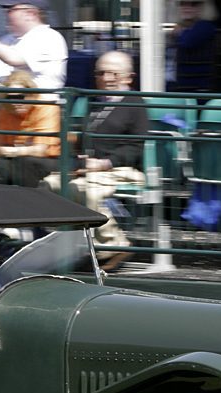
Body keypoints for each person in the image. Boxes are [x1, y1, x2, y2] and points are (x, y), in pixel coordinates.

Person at [40, 51, 147, 262]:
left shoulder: (135, 104)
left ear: (128, 77)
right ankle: (63, 243)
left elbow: (136, 147)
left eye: (113, 74)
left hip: (121, 169)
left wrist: (104, 163)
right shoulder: (95, 104)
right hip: (88, 168)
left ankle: (115, 244)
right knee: (48, 184)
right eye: (100, 73)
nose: (106, 78)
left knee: (83, 189)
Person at [0, 69, 60, 188]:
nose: (15, 102)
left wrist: (6, 151)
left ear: (31, 94)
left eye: (20, 96)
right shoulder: (4, 111)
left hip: (49, 160)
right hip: (16, 159)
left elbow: (40, 150)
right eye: (9, 98)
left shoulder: (47, 108)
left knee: (25, 163)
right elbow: (0, 144)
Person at [0, 0, 67, 91]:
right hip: (3, 102)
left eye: (11, 10)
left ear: (31, 13)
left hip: (39, 104)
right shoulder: (7, 39)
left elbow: (15, 59)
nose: (6, 14)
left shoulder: (49, 36)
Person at [166, 0, 218, 93]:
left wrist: (179, 32)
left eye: (194, 4)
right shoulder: (184, 27)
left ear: (203, 7)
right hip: (179, 83)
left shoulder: (205, 26)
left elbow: (188, 42)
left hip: (195, 88)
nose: (187, 7)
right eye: (182, 3)